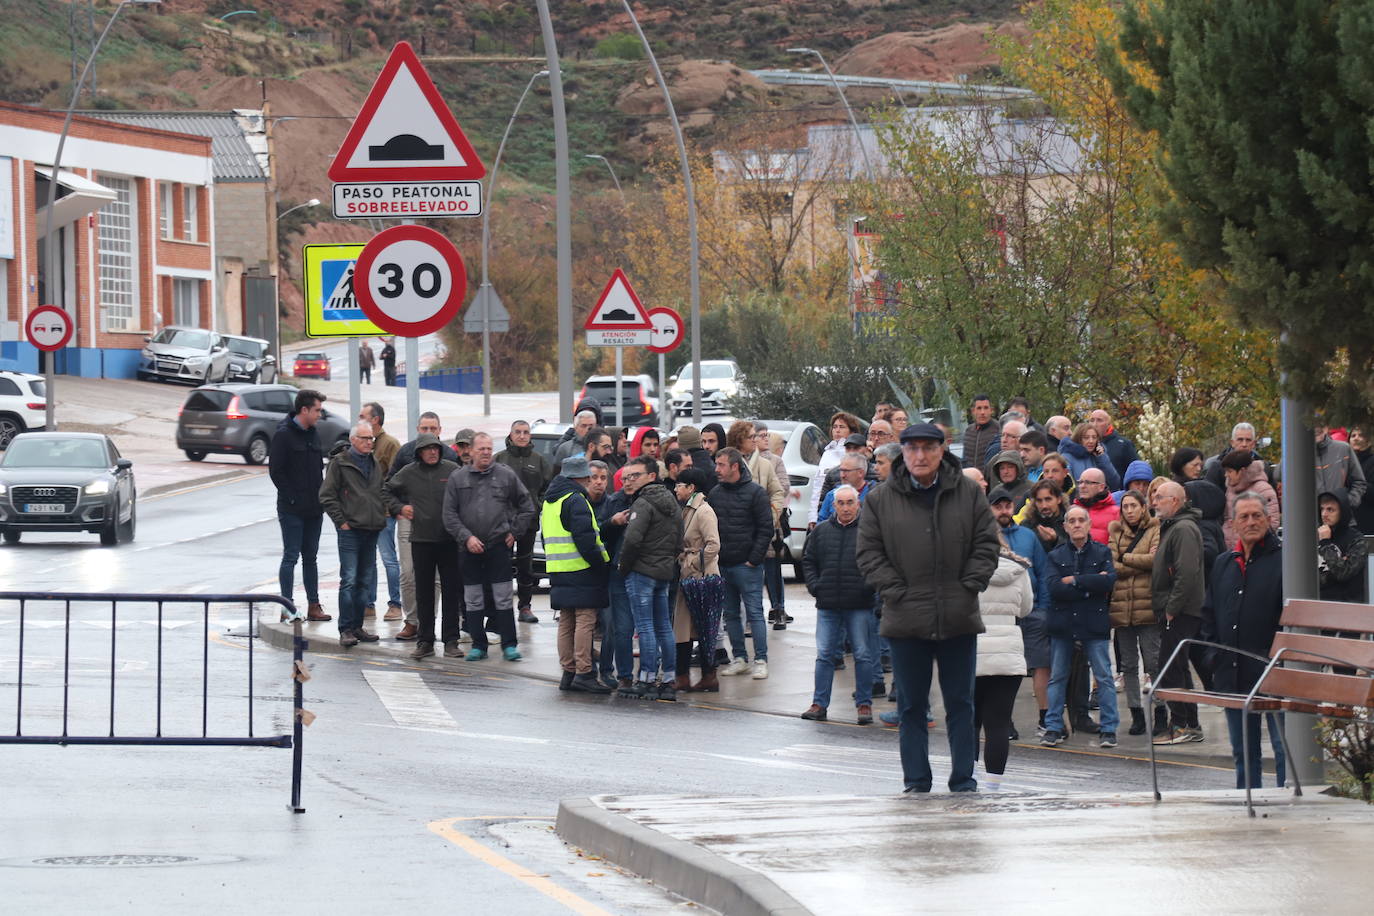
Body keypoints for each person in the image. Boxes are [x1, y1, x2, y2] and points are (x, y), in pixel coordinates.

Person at [856, 422, 1000, 794]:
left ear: (942, 450)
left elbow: (987, 544)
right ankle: (917, 781)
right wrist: (895, 591)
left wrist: (969, 586)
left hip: (958, 616)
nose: (920, 456)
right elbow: (869, 553)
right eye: (912, 448)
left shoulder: (968, 493)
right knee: (911, 707)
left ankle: (963, 780)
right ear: (902, 451)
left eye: (927, 448)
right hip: (905, 618)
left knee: (961, 705)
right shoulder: (879, 499)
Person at [1201, 492, 1287, 788]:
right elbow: (1209, 614)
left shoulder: (1285, 561)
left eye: (1257, 516)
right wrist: (1213, 657)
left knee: (1284, 750)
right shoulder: (1225, 563)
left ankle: (1290, 810)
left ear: (1269, 519)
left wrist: (1279, 661)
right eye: (1244, 517)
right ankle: (1246, 805)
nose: (1251, 522)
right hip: (1232, 671)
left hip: (1275, 673)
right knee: (1243, 752)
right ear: (1233, 524)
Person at [443, 432, 536, 662]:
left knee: (503, 598)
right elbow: (449, 514)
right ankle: (479, 646)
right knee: (473, 599)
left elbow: (527, 506)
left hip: (498, 547)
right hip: (469, 549)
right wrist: (466, 538)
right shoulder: (458, 478)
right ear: (471, 452)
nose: (485, 452)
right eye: (481, 449)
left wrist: (514, 532)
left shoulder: (505, 475)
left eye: (488, 448)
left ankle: (509, 645)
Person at [1040, 506, 1119, 747]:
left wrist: (1075, 581)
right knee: (1058, 677)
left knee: (1104, 676)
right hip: (1063, 622)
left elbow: (1108, 581)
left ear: (1088, 524)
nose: (1076, 524)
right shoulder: (1055, 555)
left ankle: (1109, 728)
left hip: (1093, 622)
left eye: (1080, 520)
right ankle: (1053, 726)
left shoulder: (1102, 551)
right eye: (1071, 521)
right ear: (1065, 526)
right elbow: (1053, 587)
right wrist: (1089, 586)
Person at [801, 485, 878, 724]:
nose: (845, 508)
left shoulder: (869, 532)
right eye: (841, 503)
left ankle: (864, 705)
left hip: (859, 605)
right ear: (833, 506)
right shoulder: (821, 531)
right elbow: (808, 561)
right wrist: (816, 586)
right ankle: (819, 703)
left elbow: (878, 564)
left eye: (850, 502)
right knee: (824, 655)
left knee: (863, 655)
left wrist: (867, 588)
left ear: (858, 504)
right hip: (828, 605)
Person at [382, 434, 461, 660]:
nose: (432, 452)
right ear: (419, 452)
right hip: (422, 541)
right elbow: (386, 490)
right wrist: (399, 507)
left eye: (436, 448)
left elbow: (467, 492)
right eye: (427, 449)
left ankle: (451, 641)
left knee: (451, 592)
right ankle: (425, 641)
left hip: (449, 540)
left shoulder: (452, 469)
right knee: (424, 593)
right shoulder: (408, 472)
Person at [540, 456, 613, 694]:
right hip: (581, 568)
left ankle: (568, 671)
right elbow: (586, 539)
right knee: (585, 620)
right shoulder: (576, 499)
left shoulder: (550, 501)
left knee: (566, 621)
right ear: (582, 477)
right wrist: (600, 564)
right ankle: (584, 672)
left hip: (558, 569)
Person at [618, 456, 685, 700]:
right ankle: (668, 680)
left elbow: (632, 540)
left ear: (651, 476)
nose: (630, 480)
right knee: (664, 625)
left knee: (645, 626)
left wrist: (623, 567)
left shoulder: (643, 504)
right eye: (626, 477)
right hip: (664, 571)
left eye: (635, 475)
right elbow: (679, 539)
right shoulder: (672, 501)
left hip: (642, 571)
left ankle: (646, 678)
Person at [989, 485, 1051, 738]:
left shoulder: (1027, 535)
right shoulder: (984, 537)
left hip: (1033, 610)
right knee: (1005, 671)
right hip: (1001, 615)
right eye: (998, 506)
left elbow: (1043, 573)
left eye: (1007, 506)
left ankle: (1046, 718)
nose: (1004, 510)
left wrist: (1045, 608)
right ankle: (1005, 721)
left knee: (1041, 666)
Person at [319, 422, 388, 647]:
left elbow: (379, 492)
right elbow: (327, 495)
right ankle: (346, 628)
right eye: (365, 438)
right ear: (354, 440)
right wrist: (342, 522)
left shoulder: (374, 463)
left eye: (372, 439)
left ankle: (357, 626)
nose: (370, 442)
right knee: (348, 579)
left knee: (364, 581)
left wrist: (381, 515)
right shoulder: (340, 463)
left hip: (372, 528)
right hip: (350, 530)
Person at [974, 535, 1034, 788]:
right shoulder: (1018, 571)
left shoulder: (968, 567)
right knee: (998, 722)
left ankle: (968, 776)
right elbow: (1025, 609)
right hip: (1009, 649)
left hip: (974, 647)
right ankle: (994, 783)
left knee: (970, 721)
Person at [709, 447, 774, 679]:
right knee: (731, 614)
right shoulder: (715, 493)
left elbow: (766, 528)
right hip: (724, 564)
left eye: (721, 465)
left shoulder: (756, 493)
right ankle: (740, 658)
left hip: (747, 566)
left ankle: (761, 659)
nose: (717, 469)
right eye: (716, 464)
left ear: (735, 466)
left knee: (755, 613)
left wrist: (753, 559)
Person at [268, 389, 332, 623]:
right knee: (291, 556)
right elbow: (276, 472)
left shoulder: (313, 434)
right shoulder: (283, 435)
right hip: (292, 509)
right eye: (316, 410)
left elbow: (317, 470)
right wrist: (293, 497)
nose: (319, 415)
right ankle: (287, 607)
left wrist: (322, 497)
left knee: (311, 558)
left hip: (314, 509)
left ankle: (314, 605)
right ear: (304, 410)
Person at [1150, 481, 1206, 745]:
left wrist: (1172, 608)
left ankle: (1182, 724)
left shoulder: (1182, 528)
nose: (1154, 502)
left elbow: (1186, 573)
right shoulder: (1175, 527)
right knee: (1179, 667)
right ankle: (1190, 725)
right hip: (1177, 608)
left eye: (1160, 497)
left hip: (1180, 610)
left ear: (1175, 501)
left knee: (1170, 668)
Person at [1107, 491, 1161, 736]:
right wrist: (1133, 565)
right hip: (1122, 607)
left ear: (1143, 507)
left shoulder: (1154, 528)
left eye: (1133, 506)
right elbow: (1111, 565)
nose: (1129, 510)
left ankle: (1161, 711)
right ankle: (1136, 713)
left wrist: (1126, 558)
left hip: (1147, 605)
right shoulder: (1115, 531)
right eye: (1125, 506)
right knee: (1127, 664)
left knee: (1153, 661)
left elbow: (1154, 560)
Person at [388, 411, 444, 641]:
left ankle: (428, 623)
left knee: (436, 578)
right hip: (409, 523)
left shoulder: (448, 456)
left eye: (433, 429)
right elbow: (388, 487)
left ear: (440, 430)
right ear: (417, 430)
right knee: (408, 572)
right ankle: (411, 621)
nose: (429, 433)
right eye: (424, 429)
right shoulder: (405, 453)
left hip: (439, 526)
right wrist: (400, 508)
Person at [496, 420, 554, 622]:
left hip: (528, 522)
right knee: (501, 566)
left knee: (525, 566)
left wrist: (537, 505)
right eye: (518, 432)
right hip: (502, 524)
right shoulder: (499, 459)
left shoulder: (539, 460)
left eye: (526, 432)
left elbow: (548, 488)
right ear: (510, 435)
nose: (522, 436)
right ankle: (500, 610)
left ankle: (525, 607)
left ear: (530, 436)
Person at [671, 467, 721, 692]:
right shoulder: (688, 509)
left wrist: (694, 563)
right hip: (688, 577)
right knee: (683, 628)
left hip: (702, 578)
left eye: (679, 485)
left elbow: (714, 545)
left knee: (704, 628)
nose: (675, 489)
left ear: (691, 488)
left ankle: (709, 675)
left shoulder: (704, 511)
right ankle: (682, 676)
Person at [360, 402, 402, 622]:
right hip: (366, 513)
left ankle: (395, 603)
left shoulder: (389, 444)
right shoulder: (364, 444)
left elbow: (396, 478)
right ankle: (369, 603)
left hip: (384, 511)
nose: (359, 418)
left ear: (375, 419)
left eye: (363, 415)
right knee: (368, 559)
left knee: (388, 558)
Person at [810, 411, 862, 526]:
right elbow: (817, 486)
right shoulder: (827, 452)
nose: (837, 430)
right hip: (826, 506)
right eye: (835, 427)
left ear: (851, 431)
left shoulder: (855, 452)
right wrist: (813, 516)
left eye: (842, 427)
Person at [1318, 489, 1368, 602]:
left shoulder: (1356, 540)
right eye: (1322, 509)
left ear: (1343, 511)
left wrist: (1326, 543)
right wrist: (1339, 562)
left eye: (1330, 510)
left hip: (1345, 605)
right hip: (1317, 602)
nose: (1324, 514)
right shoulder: (1316, 535)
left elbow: (1343, 573)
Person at [1220, 450, 1281, 543]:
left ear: (1242, 471)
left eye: (1229, 471)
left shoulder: (1263, 489)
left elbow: (1272, 522)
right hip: (1233, 549)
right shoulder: (1230, 488)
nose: (1226, 475)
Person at [1311, 424, 1367, 508]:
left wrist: (1346, 502)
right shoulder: (1293, 458)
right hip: (1309, 518)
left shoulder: (1343, 448)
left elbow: (1359, 482)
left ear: (1326, 428)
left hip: (1341, 517)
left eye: (1320, 424)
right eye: (1311, 424)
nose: (1316, 428)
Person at [1059, 422, 1122, 491]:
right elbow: (1067, 485)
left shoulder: (1100, 457)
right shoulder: (1067, 458)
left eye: (1094, 437)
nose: (1091, 441)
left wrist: (1102, 458)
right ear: (1078, 439)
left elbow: (1114, 483)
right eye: (1086, 438)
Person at [1203, 422, 1265, 490]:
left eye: (1248, 440)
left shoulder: (1263, 467)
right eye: (1240, 440)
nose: (1244, 444)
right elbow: (1208, 494)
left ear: (1253, 444)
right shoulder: (1218, 468)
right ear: (1232, 443)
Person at [817, 453, 874, 521]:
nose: (842, 475)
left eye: (846, 471)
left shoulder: (875, 495)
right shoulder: (832, 495)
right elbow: (821, 522)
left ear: (860, 473)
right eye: (841, 470)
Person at [1072, 468, 1120, 544]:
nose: (1082, 486)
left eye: (1087, 482)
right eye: (1080, 482)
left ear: (1101, 487)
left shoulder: (1116, 513)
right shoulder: (1072, 510)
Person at [1090, 409, 1141, 480]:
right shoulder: (1084, 445)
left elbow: (1137, 472)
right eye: (1092, 420)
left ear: (1108, 424)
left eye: (1099, 420)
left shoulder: (1124, 445)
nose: (1094, 424)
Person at [1021, 479, 1069, 553]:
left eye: (1048, 499)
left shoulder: (1071, 522)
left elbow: (1076, 552)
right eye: (1039, 501)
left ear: (1059, 499)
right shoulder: (1027, 526)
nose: (1044, 506)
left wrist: (1056, 540)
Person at [962, 395, 1001, 471]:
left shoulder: (999, 429)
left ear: (991, 410)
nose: (982, 412)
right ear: (973, 411)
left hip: (992, 480)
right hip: (970, 480)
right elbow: (964, 459)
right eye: (979, 408)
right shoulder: (968, 431)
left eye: (986, 408)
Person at [552, 410, 598, 474]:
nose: (588, 429)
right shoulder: (565, 448)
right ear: (576, 427)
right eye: (584, 426)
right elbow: (557, 474)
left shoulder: (601, 446)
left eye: (591, 426)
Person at [1350, 428, 1374, 534]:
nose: (1356, 438)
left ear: (1369, 440)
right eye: (1353, 435)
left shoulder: (1372, 461)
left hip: (1367, 522)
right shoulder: (1345, 461)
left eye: (1361, 435)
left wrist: (1352, 480)